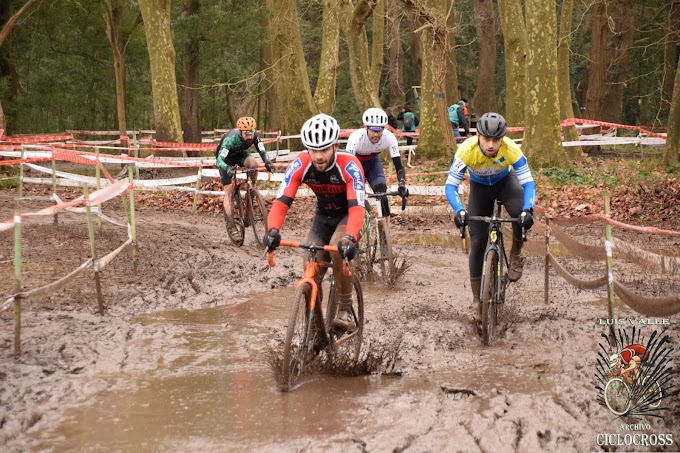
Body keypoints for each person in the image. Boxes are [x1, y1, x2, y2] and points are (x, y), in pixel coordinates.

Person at [263, 114, 366, 332]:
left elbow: (357, 208)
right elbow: (281, 202)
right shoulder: (301, 163)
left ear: (336, 146)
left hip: (347, 216)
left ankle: (345, 309)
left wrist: (350, 238)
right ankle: (316, 326)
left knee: (338, 251)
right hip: (322, 217)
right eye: (313, 150)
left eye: (325, 149)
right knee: (310, 263)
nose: (318, 156)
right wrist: (272, 230)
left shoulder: (350, 165)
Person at [444, 112, 536, 319]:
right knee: (477, 241)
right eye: (486, 139)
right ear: (478, 136)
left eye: (496, 139)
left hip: (505, 182)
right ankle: (477, 299)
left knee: (519, 216)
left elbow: (529, 183)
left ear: (503, 138)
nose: (491, 144)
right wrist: (459, 210)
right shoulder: (466, 150)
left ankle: (516, 254)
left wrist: (527, 210)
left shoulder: (511, 149)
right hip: (479, 187)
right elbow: (451, 186)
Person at [216, 116, 275, 242]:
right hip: (225, 160)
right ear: (240, 132)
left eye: (251, 132)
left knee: (253, 164)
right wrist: (227, 169)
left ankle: (251, 192)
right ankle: (231, 226)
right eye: (247, 133)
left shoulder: (254, 136)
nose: (250, 136)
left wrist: (268, 162)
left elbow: (262, 151)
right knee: (229, 191)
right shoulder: (230, 140)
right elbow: (219, 160)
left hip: (240, 155)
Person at [345, 108, 409, 217]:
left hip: (372, 163)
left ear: (384, 128)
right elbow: (347, 167)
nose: (376, 134)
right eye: (373, 130)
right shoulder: (355, 138)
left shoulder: (389, 137)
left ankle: (386, 228)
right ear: (365, 127)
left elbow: (399, 166)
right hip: (355, 164)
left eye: (379, 131)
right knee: (358, 199)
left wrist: (402, 184)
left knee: (381, 192)